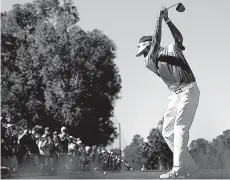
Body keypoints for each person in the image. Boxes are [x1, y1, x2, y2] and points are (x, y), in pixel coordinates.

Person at [136, 7, 200, 178]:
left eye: (144, 51)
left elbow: (178, 38)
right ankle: (190, 166)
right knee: (166, 131)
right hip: (175, 96)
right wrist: (159, 19)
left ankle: (178, 168)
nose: (145, 56)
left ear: (148, 46)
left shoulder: (172, 48)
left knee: (179, 128)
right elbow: (156, 41)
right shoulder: (150, 62)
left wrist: (168, 21)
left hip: (188, 90)